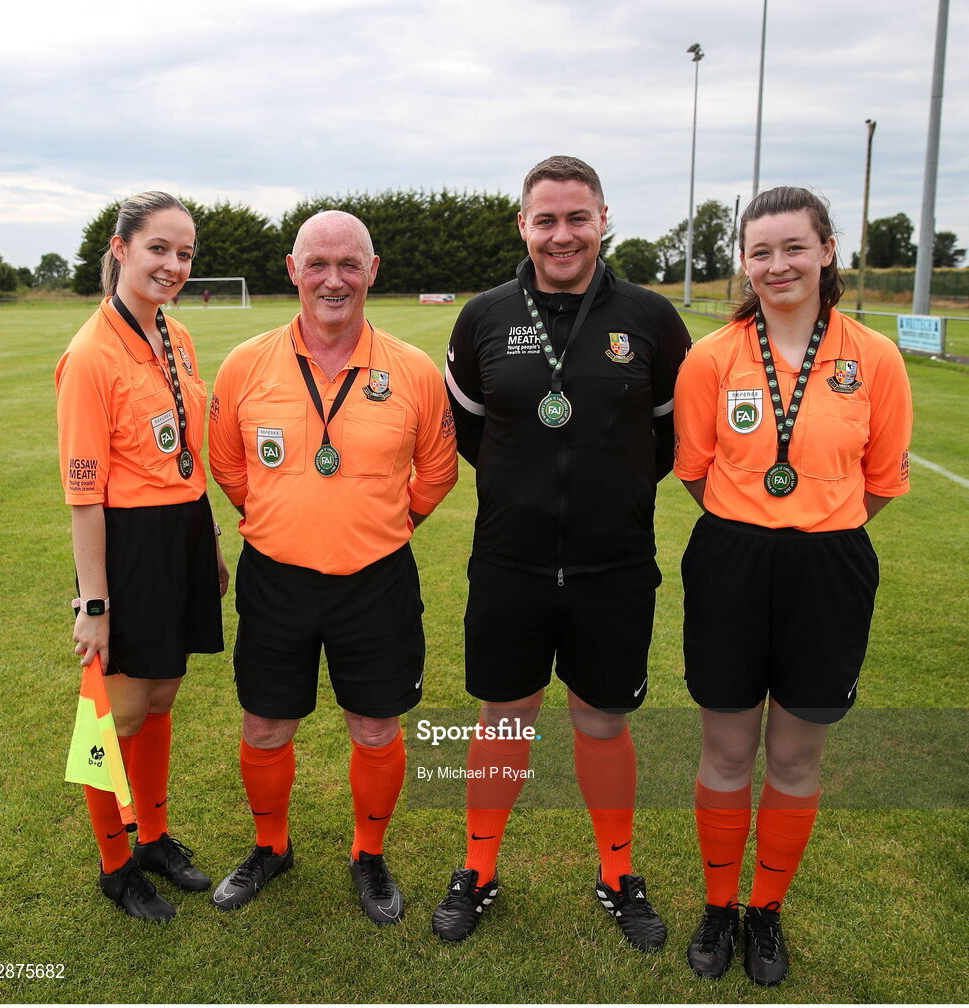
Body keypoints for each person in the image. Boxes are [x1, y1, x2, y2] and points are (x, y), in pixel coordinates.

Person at [435, 156, 691, 948]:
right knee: (503, 720)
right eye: (545, 219)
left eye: (577, 217)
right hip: (509, 562)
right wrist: (533, 487)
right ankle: (478, 868)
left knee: (603, 722)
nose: (562, 234)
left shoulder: (650, 318)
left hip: (612, 565)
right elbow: (475, 431)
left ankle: (617, 874)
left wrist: (601, 491)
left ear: (604, 218)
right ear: (524, 225)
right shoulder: (483, 316)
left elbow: (667, 438)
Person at [673, 186, 913, 985]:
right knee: (727, 747)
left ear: (827, 250)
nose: (777, 265)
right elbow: (697, 473)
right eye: (761, 251)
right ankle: (717, 905)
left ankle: (765, 914)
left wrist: (819, 524)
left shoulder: (874, 358)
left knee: (797, 755)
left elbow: (880, 481)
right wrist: (754, 529)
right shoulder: (712, 357)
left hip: (830, 564)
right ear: (744, 261)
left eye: (793, 248)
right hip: (731, 560)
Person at [207, 210, 458, 924]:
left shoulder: (411, 369)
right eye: (317, 263)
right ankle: (270, 847)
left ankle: (369, 856)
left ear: (373, 271)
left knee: (376, 729)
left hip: (376, 580)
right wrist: (281, 517)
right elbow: (227, 462)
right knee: (264, 726)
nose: (333, 279)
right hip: (275, 578)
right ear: (293, 270)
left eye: (349, 264)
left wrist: (387, 523)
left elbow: (437, 471)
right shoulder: (246, 364)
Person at [55, 191, 229, 922]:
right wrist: (95, 604)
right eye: (159, 248)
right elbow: (84, 496)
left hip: (183, 531)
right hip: (126, 546)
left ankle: (152, 835)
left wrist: (209, 540)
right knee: (114, 713)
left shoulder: (176, 335)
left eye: (185, 253)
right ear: (120, 247)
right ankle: (113, 863)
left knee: (161, 696)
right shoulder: (90, 355)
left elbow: (190, 450)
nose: (174, 265)